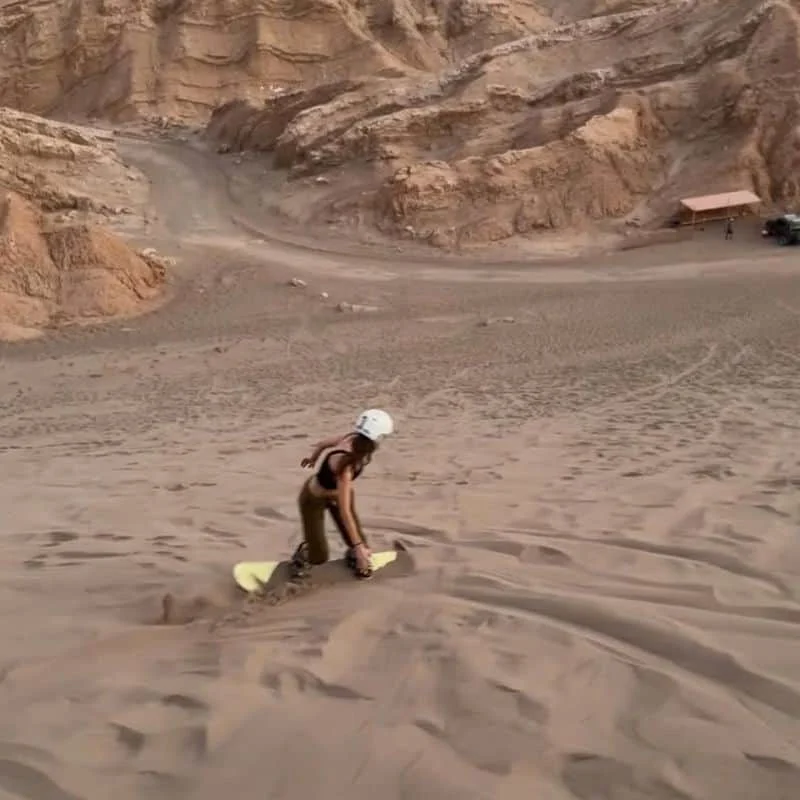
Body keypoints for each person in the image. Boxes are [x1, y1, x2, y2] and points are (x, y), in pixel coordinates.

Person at [291, 409, 394, 580]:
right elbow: (345, 512)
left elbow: (323, 444)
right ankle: (303, 555)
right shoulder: (345, 468)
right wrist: (359, 547)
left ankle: (354, 555)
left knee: (359, 542)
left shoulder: (351, 439)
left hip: (338, 494)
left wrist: (313, 459)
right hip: (313, 498)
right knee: (319, 556)